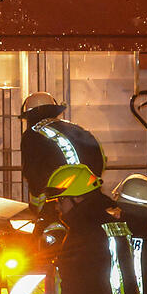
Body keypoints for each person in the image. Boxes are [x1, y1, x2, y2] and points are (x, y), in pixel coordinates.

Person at [43, 163, 143, 294]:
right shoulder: (116, 225)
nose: (57, 207)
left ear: (79, 198)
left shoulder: (81, 234)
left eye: (60, 200)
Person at [19, 92, 106, 249]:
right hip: (91, 196)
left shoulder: (32, 135)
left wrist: (40, 207)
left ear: (29, 115)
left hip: (61, 200)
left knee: (41, 249)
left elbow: (34, 176)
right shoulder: (76, 129)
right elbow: (100, 159)